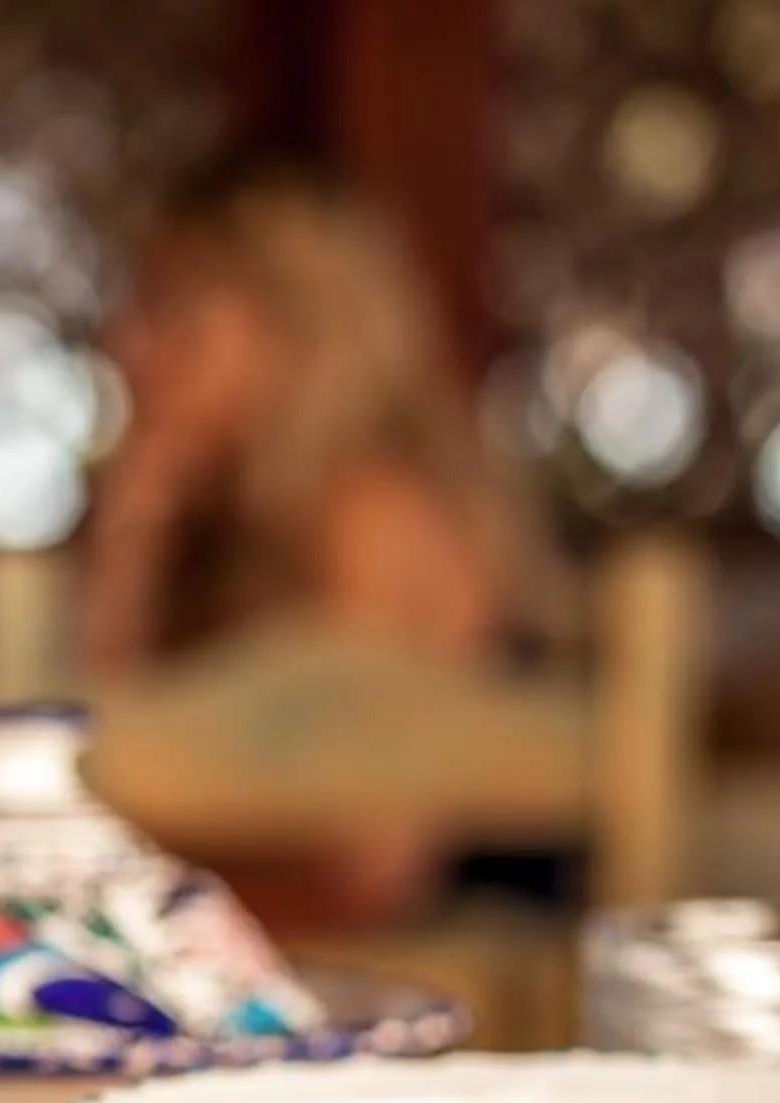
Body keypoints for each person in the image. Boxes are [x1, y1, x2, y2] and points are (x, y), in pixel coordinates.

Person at [77, 157, 535, 926]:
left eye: (173, 316)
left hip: (423, 983)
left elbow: (368, 876)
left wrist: (136, 917)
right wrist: (128, 553)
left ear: (302, 336)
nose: (128, 346)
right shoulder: (217, 533)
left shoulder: (371, 519)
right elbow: (93, 787)